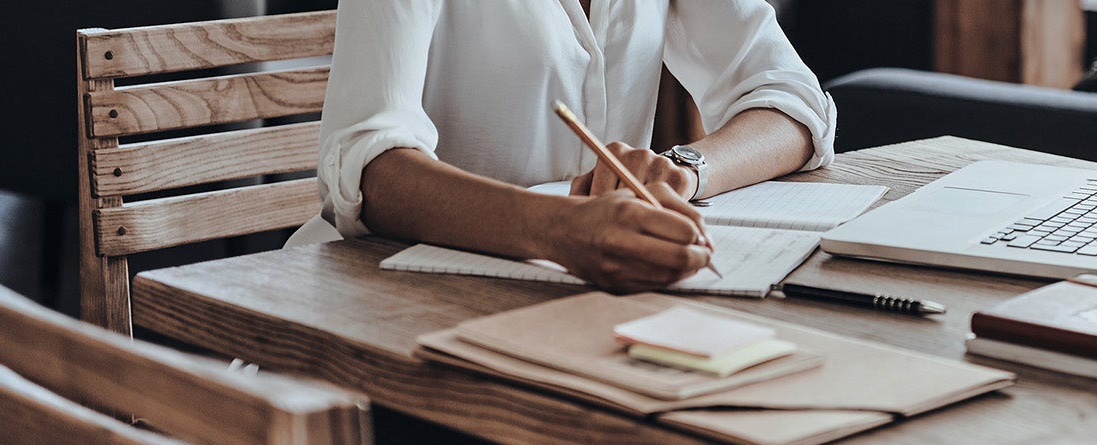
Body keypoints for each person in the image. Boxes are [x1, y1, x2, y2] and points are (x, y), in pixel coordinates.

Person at [307, 0, 837, 293]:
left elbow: (793, 102)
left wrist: (679, 170)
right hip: (392, 296)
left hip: (584, 296)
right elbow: (367, 168)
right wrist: (557, 229)